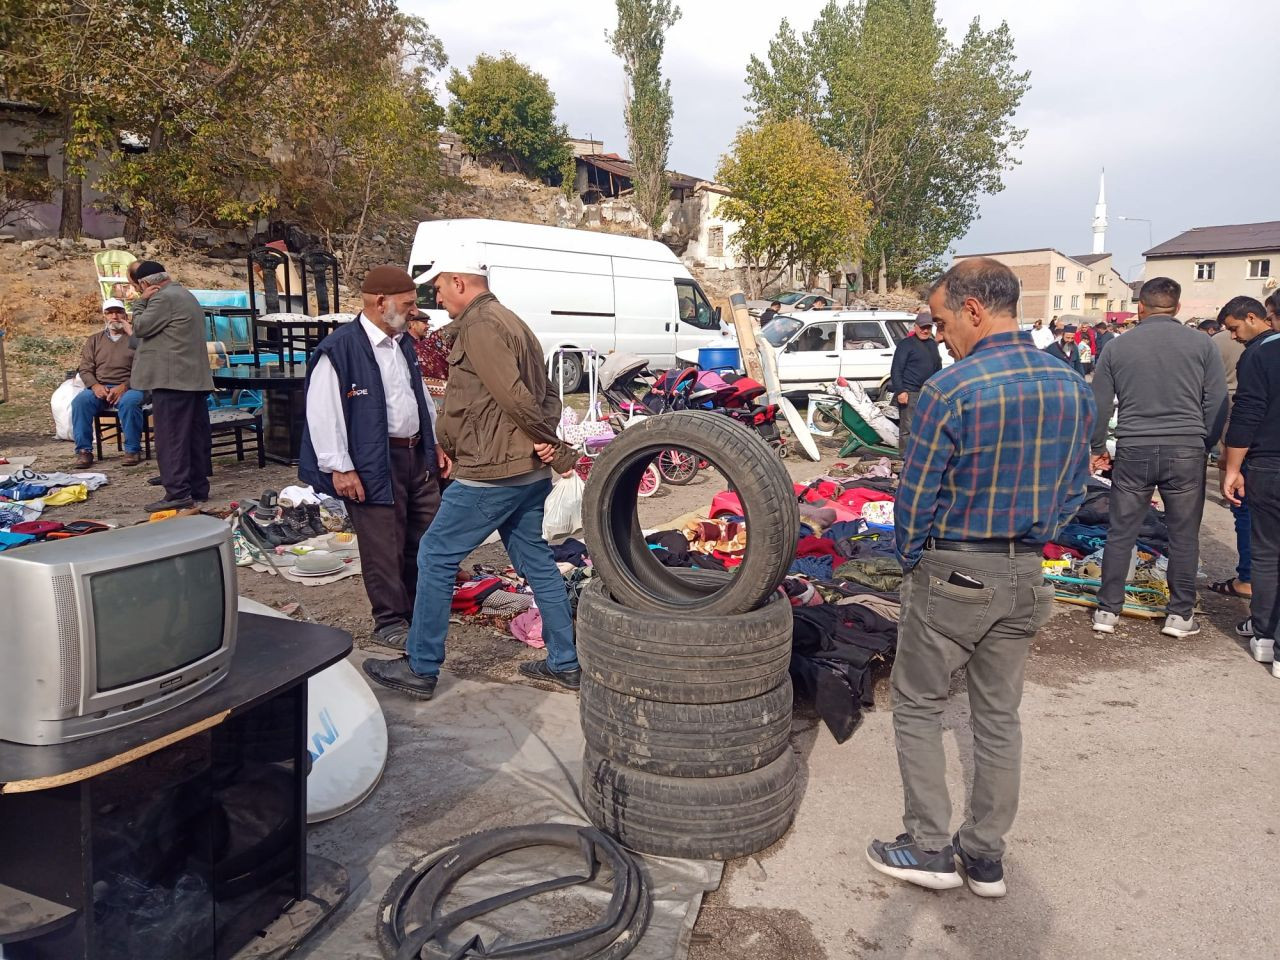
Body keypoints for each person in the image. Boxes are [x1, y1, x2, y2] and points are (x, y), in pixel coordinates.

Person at [867, 258, 1093, 898]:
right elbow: (1078, 486)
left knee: (916, 703)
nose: (939, 336)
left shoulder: (951, 389)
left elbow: (916, 493)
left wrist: (913, 558)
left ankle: (929, 848)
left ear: (972, 309)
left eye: (941, 322)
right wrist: (1041, 533)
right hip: (1028, 571)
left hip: (954, 567)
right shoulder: (1070, 385)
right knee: (999, 715)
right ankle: (985, 857)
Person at [362, 246, 580, 701]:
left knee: (435, 555)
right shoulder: (510, 320)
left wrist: (553, 445)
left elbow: (517, 397)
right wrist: (543, 441)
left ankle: (420, 667)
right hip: (522, 470)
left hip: (493, 471)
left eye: (439, 288)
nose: (437, 299)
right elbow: (548, 396)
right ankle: (564, 661)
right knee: (536, 562)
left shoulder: (481, 326)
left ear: (459, 282)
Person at [299, 266, 448, 649]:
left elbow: (419, 400)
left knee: (425, 535)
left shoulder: (400, 344)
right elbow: (323, 412)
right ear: (382, 303)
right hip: (372, 462)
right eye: (409, 303)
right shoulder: (340, 349)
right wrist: (340, 467)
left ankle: (417, 610)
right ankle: (389, 620)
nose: (415, 311)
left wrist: (435, 443)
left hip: (415, 456)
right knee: (384, 542)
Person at [1089, 277, 1228, 639]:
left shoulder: (1118, 347)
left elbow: (1100, 401)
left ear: (1140, 307)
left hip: (1135, 446)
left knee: (1121, 532)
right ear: (1177, 307)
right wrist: (1204, 442)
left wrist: (1097, 445)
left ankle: (1107, 610)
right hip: (1186, 448)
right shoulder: (1202, 344)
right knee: (1183, 535)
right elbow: (1217, 401)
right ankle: (1179, 615)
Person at [127, 260, 214, 512]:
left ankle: (177, 492)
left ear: (145, 284)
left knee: (172, 437)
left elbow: (141, 328)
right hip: (191, 378)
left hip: (171, 379)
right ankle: (197, 487)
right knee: (192, 438)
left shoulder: (162, 298)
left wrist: (140, 302)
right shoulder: (185, 294)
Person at [1221, 309, 1280, 676]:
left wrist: (1232, 467)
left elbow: (1247, 412)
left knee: (1268, 552)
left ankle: (1264, 635)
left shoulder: (1263, 354)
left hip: (1269, 464)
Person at [72, 299, 145, 469]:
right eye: (110, 313)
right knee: (80, 402)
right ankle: (84, 451)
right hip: (102, 387)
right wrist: (95, 386)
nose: (115, 316)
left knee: (129, 402)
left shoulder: (136, 340)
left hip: (132, 386)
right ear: (104, 316)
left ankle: (133, 450)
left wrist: (124, 386)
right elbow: (85, 369)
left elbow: (145, 368)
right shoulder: (94, 340)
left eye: (119, 312)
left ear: (125, 315)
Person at [1210, 306, 1252, 599]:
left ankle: (1248, 579)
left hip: (1234, 412)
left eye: (1235, 328)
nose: (1234, 336)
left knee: (1243, 503)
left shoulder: (1254, 351)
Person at [888, 312, 942, 446]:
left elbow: (937, 367)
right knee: (908, 427)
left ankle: (921, 455)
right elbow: (896, 369)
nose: (925, 330)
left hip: (928, 393)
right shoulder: (906, 344)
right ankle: (906, 457)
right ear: (915, 327)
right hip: (910, 392)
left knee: (927, 426)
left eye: (928, 328)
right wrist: (900, 391)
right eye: (922, 327)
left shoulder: (932, 344)